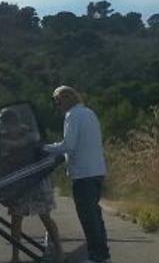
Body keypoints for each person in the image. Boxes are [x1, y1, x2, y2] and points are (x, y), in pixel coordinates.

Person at [43, 86, 111, 263]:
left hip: (83, 174)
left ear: (66, 99)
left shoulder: (72, 115)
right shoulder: (89, 113)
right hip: (96, 171)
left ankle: (96, 257)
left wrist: (44, 148)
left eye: (58, 101)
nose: (57, 106)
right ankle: (103, 254)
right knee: (95, 216)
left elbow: (68, 145)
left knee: (88, 218)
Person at [0, 108, 62, 263]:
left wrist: (3, 142)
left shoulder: (30, 134)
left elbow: (21, 144)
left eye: (6, 124)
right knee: (16, 219)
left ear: (13, 121)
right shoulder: (3, 136)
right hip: (18, 183)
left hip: (36, 181)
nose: (5, 128)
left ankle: (60, 252)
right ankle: (15, 256)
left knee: (45, 217)